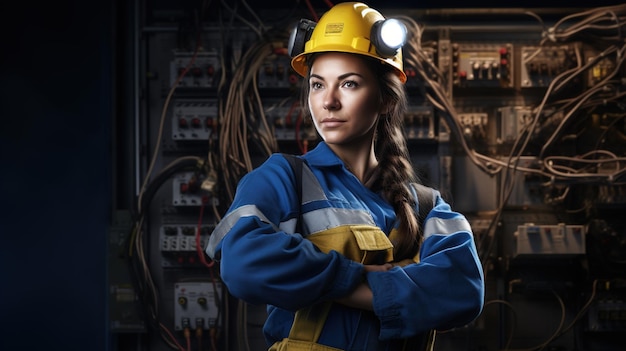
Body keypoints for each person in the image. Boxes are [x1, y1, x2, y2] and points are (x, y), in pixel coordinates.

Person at [206, 2, 484, 350]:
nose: (328, 102)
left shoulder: (426, 205)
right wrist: (358, 278)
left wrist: (331, 285)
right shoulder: (285, 179)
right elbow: (243, 262)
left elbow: (463, 291)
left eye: (349, 84)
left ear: (385, 99)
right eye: (318, 85)